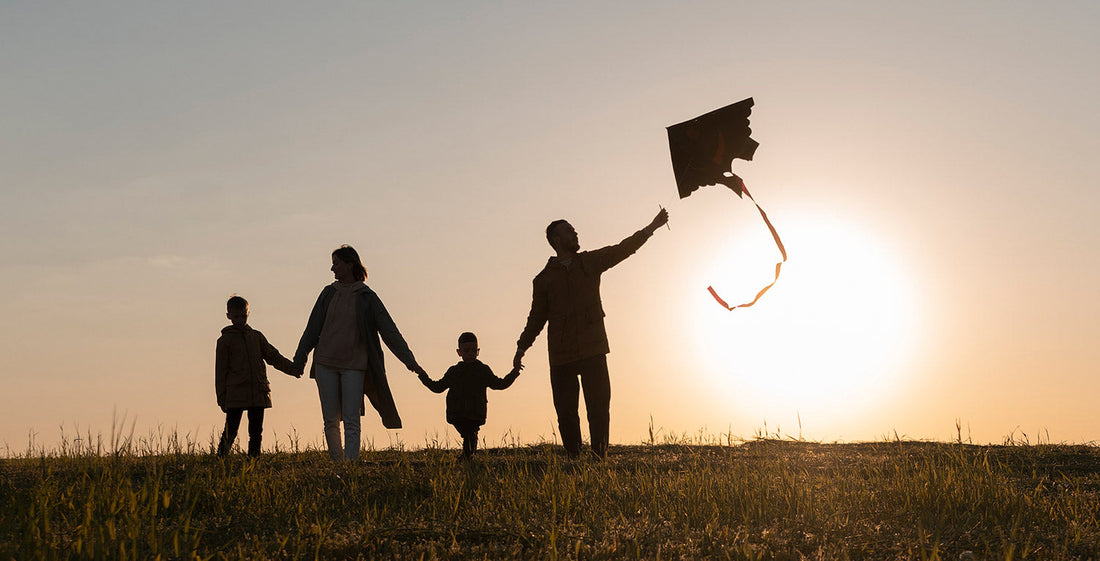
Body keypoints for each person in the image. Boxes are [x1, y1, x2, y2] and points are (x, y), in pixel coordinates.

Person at [514, 209, 669, 458]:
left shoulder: (590, 261)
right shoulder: (543, 280)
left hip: (593, 348)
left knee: (598, 408)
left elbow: (622, 249)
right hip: (561, 354)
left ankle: (600, 458)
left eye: (573, 230)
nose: (574, 232)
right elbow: (536, 318)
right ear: (555, 240)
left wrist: (652, 227)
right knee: (566, 412)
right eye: (568, 230)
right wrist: (522, 347)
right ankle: (574, 459)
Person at [293, 245, 427, 461]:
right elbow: (312, 328)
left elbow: (389, 330)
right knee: (330, 418)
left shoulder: (367, 297)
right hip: (325, 363)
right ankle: (337, 464)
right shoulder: (328, 294)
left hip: (354, 366)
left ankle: (351, 463)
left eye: (336, 263)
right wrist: (300, 359)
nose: (332, 268)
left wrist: (409, 360)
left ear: (349, 264)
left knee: (351, 417)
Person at [215, 295, 299, 457]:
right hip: (235, 393)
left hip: (258, 391)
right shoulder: (225, 341)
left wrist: (293, 369)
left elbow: (273, 357)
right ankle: (221, 458)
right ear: (229, 316)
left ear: (248, 313)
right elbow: (220, 372)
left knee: (256, 431)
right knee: (231, 429)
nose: (240, 320)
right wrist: (222, 397)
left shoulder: (256, 337)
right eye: (236, 316)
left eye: (243, 315)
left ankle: (254, 459)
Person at [418, 332, 521, 458]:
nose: (471, 353)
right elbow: (437, 387)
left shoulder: (482, 370)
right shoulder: (454, 371)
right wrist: (422, 374)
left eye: (473, 350)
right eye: (467, 350)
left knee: (471, 434)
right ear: (459, 352)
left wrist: (514, 372)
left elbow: (500, 384)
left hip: (476, 413)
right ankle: (468, 458)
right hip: (457, 413)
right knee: (469, 434)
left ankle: (468, 459)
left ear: (478, 351)